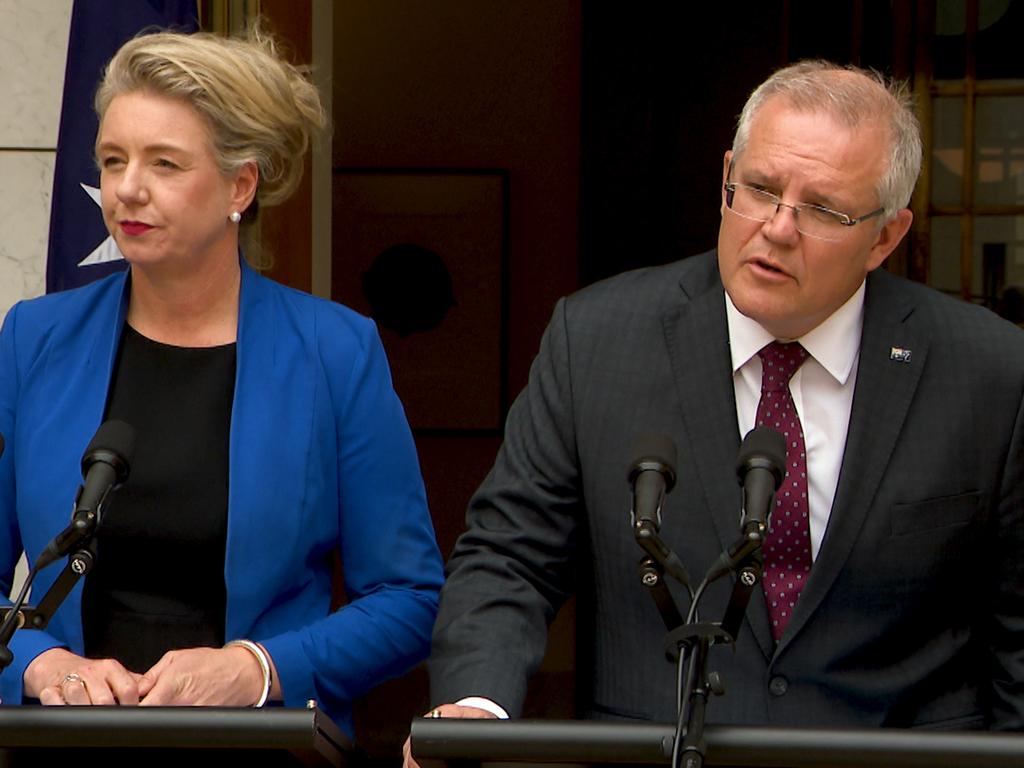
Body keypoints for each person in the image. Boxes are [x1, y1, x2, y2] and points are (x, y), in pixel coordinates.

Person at [408, 59, 1024, 756]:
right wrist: (475, 708)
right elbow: (510, 557)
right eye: (759, 190)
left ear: (884, 236)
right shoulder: (598, 339)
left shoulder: (990, 371)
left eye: (821, 208)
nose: (778, 227)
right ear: (726, 177)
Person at [0, 23, 444, 741]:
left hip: (261, 746)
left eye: (165, 164)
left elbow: (408, 598)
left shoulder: (335, 351)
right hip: (61, 748)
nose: (127, 189)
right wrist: (37, 663)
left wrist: (260, 667)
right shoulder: (33, 339)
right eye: (113, 161)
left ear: (241, 183)